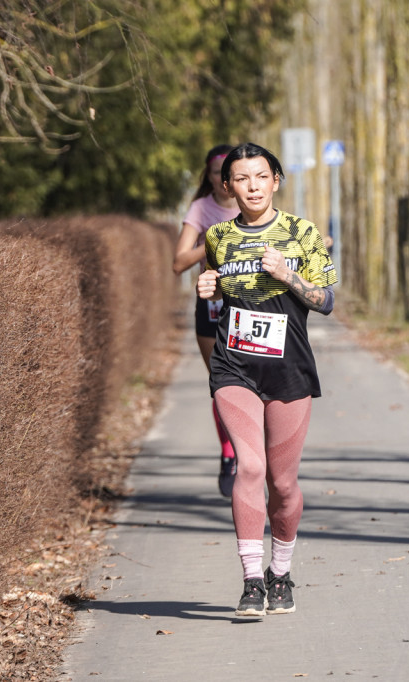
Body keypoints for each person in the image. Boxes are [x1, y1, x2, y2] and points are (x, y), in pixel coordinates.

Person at [196, 142, 337, 617]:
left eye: (261, 176)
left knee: (282, 483)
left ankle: (281, 572)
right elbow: (210, 280)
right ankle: (252, 581)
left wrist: (288, 276)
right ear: (227, 185)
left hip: (288, 367)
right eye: (241, 178)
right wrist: (206, 287)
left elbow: (326, 300)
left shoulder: (301, 232)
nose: (252, 186)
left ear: (275, 180)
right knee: (249, 468)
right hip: (234, 364)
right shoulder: (217, 236)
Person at [173, 145, 240, 497]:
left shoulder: (254, 203)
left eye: (229, 171)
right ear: (209, 176)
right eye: (216, 171)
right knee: (223, 382)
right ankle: (230, 453)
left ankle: (251, 451)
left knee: (252, 383)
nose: (223, 178)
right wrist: (213, 238)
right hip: (211, 307)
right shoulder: (201, 209)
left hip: (248, 307)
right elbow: (178, 263)